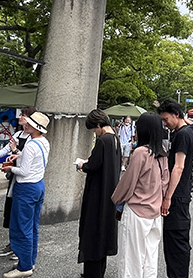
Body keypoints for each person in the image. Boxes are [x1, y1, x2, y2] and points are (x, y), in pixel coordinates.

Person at [111, 112, 170, 278]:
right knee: (150, 258)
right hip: (155, 211)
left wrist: (115, 199)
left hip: (137, 210)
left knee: (131, 260)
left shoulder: (140, 152)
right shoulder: (162, 151)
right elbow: (165, 181)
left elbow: (128, 183)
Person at [0, 106, 36, 259]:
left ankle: (22, 248)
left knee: (23, 216)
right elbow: (5, 150)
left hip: (26, 179)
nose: (20, 117)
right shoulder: (17, 133)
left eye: (23, 115)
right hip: (15, 177)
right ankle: (13, 244)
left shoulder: (35, 140)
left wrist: (15, 151)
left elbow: (27, 159)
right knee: (12, 212)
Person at [0, 112, 50, 278]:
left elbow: (24, 171)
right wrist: (19, 154)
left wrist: (10, 168)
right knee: (32, 227)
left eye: (29, 124)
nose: (25, 125)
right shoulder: (43, 142)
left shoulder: (30, 145)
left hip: (26, 188)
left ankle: (24, 266)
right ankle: (29, 261)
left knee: (21, 228)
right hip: (38, 185)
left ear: (36, 128)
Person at [77, 109, 122, 278]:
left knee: (92, 231)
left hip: (97, 192)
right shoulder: (115, 138)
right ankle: (99, 272)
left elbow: (93, 165)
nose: (94, 132)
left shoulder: (103, 140)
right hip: (110, 190)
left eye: (94, 129)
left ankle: (92, 273)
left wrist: (82, 165)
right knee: (103, 233)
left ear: (98, 124)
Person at [157, 99, 193, 278]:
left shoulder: (182, 135)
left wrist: (167, 197)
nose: (165, 124)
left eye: (166, 119)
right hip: (183, 194)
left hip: (177, 196)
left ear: (176, 114)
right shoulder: (188, 131)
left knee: (175, 243)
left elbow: (178, 167)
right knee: (178, 241)